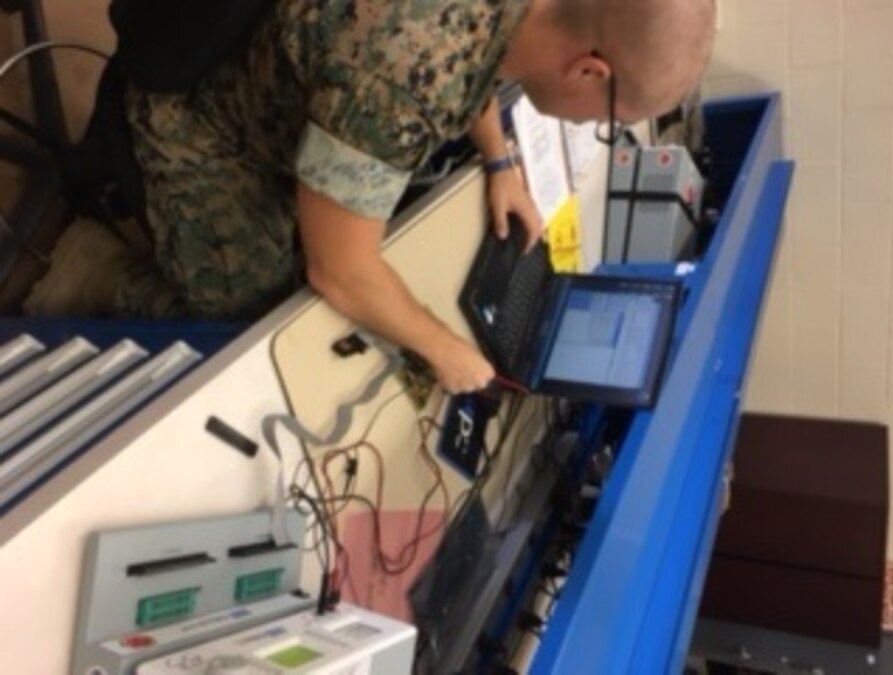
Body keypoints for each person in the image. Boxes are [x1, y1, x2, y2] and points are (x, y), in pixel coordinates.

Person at [24, 0, 716, 394]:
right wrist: (446, 350)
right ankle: (93, 270)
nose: (594, 125)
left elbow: (477, 58)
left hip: (289, 70)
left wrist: (500, 158)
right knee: (259, 324)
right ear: (590, 69)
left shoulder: (521, 17)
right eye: (608, 116)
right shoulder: (403, 82)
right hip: (204, 117)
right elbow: (342, 270)